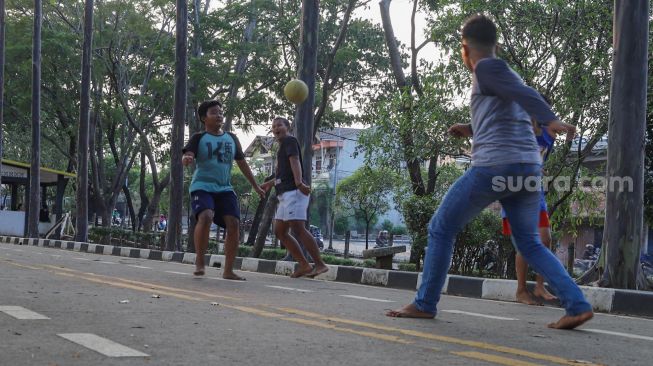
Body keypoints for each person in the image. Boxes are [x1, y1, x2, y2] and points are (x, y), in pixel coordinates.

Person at [387, 15, 593, 329]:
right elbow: (507, 114)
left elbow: (528, 98)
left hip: (496, 166)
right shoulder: (502, 75)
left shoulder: (486, 67)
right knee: (529, 243)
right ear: (496, 44)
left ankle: (425, 303)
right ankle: (577, 305)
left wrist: (550, 118)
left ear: (464, 49)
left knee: (441, 228)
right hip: (527, 170)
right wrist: (470, 128)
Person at [182, 99, 264, 280]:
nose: (219, 115)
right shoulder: (199, 137)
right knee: (206, 216)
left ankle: (228, 270)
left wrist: (256, 186)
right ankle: (200, 261)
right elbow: (189, 152)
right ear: (204, 118)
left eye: (220, 112)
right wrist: (187, 158)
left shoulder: (232, 138)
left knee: (234, 223)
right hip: (202, 186)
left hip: (224, 188)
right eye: (214, 112)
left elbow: (242, 163)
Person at [501, 113, 570, 305]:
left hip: (535, 194)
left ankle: (540, 286)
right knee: (524, 244)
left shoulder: (548, 136)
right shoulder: (515, 135)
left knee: (545, 239)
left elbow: (568, 130)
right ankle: (521, 290)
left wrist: (569, 131)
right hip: (514, 193)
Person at [261, 117, 328, 278]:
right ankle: (304, 265)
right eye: (274, 126)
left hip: (294, 192)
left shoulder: (290, 141)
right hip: (284, 194)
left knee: (298, 228)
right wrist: (270, 183)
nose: (276, 128)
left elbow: (295, 161)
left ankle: (319, 264)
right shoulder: (282, 146)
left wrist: (299, 183)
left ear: (288, 127)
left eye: (280, 125)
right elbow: (284, 172)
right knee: (280, 231)